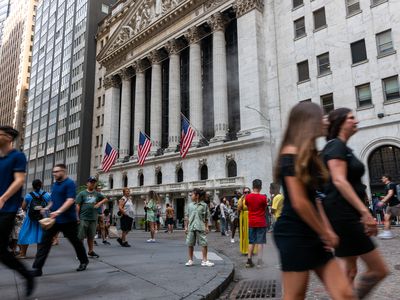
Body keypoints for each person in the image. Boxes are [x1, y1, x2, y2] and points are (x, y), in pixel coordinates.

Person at [273, 103, 356, 299]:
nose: (326, 120)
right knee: (295, 297)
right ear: (308, 122)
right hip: (294, 234)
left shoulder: (308, 153)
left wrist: (325, 230)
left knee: (345, 294)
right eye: (321, 116)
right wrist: (324, 232)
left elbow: (315, 200)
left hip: (313, 231)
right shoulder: (290, 153)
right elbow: (300, 202)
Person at [322, 107, 388, 298]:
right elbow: (339, 180)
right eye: (351, 118)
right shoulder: (336, 146)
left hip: (344, 214)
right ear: (340, 123)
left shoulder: (341, 147)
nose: (356, 121)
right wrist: (365, 213)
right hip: (344, 216)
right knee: (378, 270)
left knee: (350, 271)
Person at [31, 163, 89, 276]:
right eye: (54, 172)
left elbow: (70, 200)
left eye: (57, 171)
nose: (55, 174)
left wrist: (59, 211)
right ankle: (37, 269)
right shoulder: (55, 185)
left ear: (63, 171)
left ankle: (83, 261)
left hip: (68, 220)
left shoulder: (70, 183)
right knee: (44, 243)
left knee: (75, 242)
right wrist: (47, 208)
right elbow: (53, 200)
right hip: (54, 220)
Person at [0, 126, 35, 296]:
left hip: (7, 209)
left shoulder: (18, 156)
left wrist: (4, 197)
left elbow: (19, 180)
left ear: (8, 137)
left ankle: (27, 275)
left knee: (1, 251)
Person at [17, 179, 51, 258]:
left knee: (24, 234)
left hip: (30, 218)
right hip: (43, 218)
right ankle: (39, 254)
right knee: (41, 235)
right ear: (41, 185)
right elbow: (50, 205)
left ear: (32, 186)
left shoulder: (29, 195)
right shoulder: (47, 195)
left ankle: (23, 254)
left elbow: (23, 207)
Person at [76, 176, 108, 258]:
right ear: (87, 183)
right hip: (83, 218)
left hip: (93, 218)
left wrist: (99, 203)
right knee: (81, 237)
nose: (93, 184)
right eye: (91, 182)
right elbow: (77, 206)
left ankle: (90, 251)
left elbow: (105, 199)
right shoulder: (82, 193)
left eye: (94, 182)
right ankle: (80, 253)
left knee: (91, 236)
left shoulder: (97, 194)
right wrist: (77, 217)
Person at [184, 188, 214, 267]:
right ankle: (190, 260)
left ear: (197, 196)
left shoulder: (204, 205)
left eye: (192, 194)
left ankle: (204, 260)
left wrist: (207, 227)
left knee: (204, 243)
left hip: (201, 226)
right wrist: (186, 227)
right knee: (190, 243)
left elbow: (206, 218)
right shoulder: (190, 205)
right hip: (191, 226)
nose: (191, 196)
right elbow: (187, 217)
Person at [244, 179, 268, 268]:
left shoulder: (248, 197)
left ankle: (249, 261)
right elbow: (265, 208)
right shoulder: (263, 198)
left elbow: (247, 205)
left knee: (251, 241)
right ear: (260, 187)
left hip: (251, 222)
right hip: (261, 222)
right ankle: (259, 262)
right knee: (260, 242)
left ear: (252, 186)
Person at [377, 175, 400, 239]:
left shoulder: (391, 184)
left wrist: (382, 201)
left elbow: (390, 194)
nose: (382, 179)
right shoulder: (387, 186)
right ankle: (387, 233)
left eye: (383, 178)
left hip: (396, 204)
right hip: (390, 205)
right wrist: (384, 197)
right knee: (387, 218)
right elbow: (390, 195)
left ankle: (387, 233)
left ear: (387, 178)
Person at [238, 187, 251, 255]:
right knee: (244, 233)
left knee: (251, 233)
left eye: (248, 192)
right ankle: (245, 249)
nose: (247, 193)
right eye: (245, 192)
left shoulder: (252, 198)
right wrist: (242, 199)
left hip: (251, 215)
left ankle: (252, 250)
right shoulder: (241, 199)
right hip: (243, 215)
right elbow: (239, 209)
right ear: (243, 193)